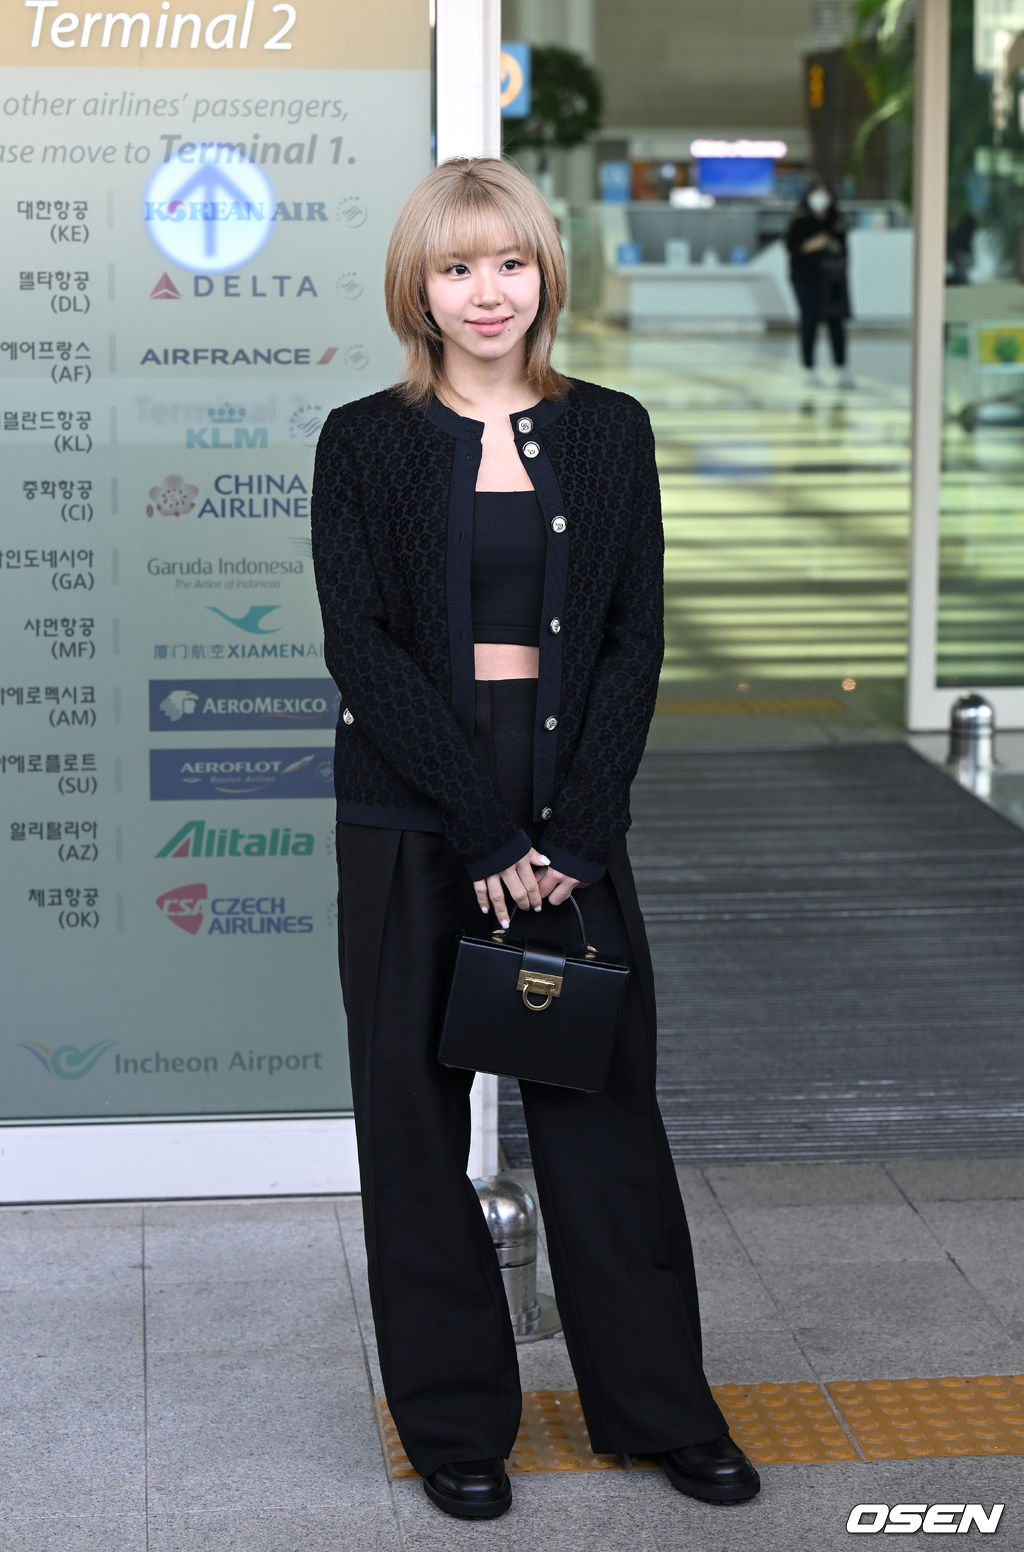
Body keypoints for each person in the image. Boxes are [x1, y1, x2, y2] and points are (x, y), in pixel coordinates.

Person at [311, 156, 760, 1523]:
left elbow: (633, 637)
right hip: (413, 814)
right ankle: (455, 1424)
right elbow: (362, 648)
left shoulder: (609, 431)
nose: (486, 291)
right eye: (456, 267)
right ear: (418, 287)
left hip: (568, 819)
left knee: (601, 1111)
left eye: (509, 261)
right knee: (412, 1121)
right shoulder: (364, 440)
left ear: (545, 273)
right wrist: (484, 825)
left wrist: (575, 827)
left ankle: (660, 1410)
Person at [785, 178, 854, 389]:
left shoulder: (836, 221)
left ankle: (841, 368)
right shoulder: (800, 220)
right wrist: (811, 245)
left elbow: (843, 249)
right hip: (805, 279)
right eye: (817, 192)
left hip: (832, 279)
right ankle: (809, 369)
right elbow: (791, 247)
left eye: (825, 193)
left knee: (836, 322)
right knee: (810, 321)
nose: (820, 198)